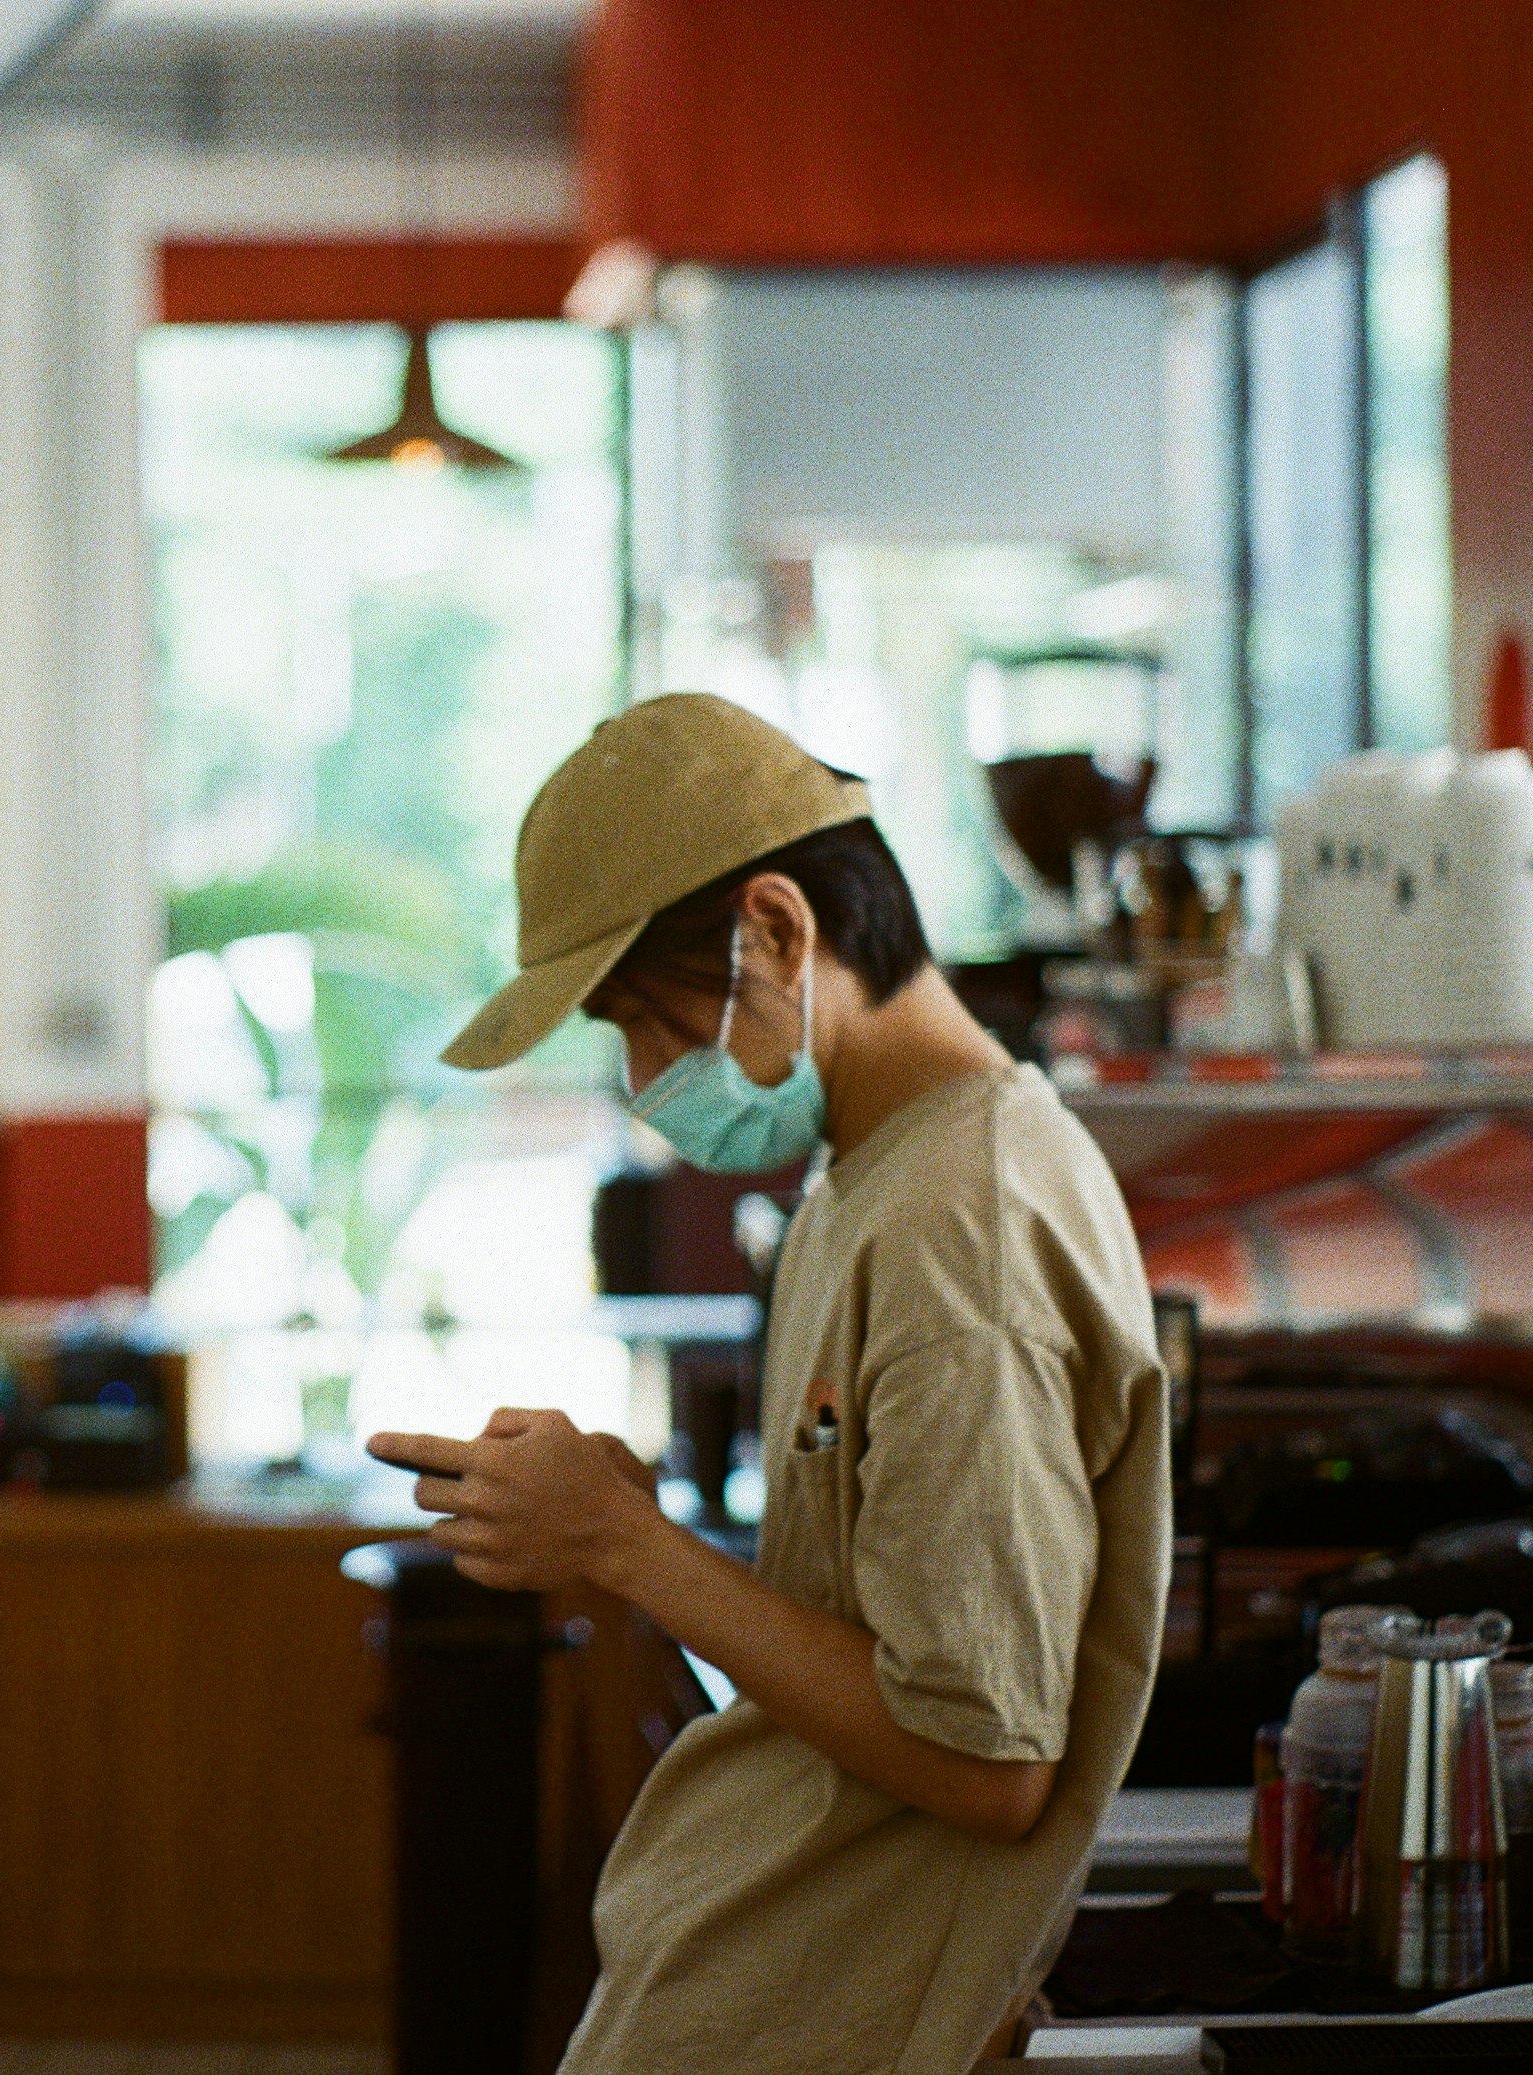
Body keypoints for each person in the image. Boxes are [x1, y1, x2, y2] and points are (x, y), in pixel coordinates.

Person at [367, 693, 1169, 2072]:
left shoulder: (955, 1230)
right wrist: (625, 1523)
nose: (638, 1078)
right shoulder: (879, 1173)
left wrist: (625, 1546)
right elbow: (863, 1626)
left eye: (642, 1018)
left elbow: (985, 1765)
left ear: (779, 933)